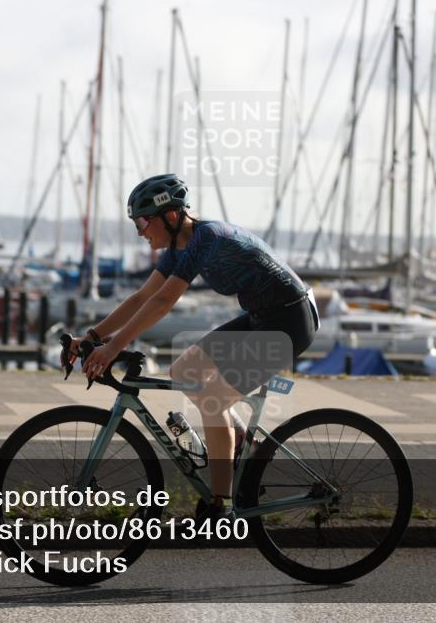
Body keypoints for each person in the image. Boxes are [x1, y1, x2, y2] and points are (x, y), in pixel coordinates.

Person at [70, 174, 319, 520]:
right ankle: (244, 446)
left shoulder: (207, 238)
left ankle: (222, 504)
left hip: (290, 322)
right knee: (185, 371)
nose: (140, 231)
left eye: (143, 221)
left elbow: (164, 302)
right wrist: (94, 337)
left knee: (214, 397)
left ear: (171, 217)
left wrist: (112, 350)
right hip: (264, 317)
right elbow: (144, 297)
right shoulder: (179, 247)